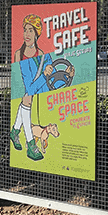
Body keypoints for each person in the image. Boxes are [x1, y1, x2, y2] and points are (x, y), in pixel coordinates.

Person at [11, 13, 74, 161]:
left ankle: (15, 131)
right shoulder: (18, 55)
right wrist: (45, 76)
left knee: (26, 100)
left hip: (31, 95)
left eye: (31, 30)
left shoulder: (44, 56)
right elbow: (29, 87)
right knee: (27, 98)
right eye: (25, 29)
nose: (27, 34)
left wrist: (66, 75)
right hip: (26, 92)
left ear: (37, 34)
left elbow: (51, 84)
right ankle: (30, 143)